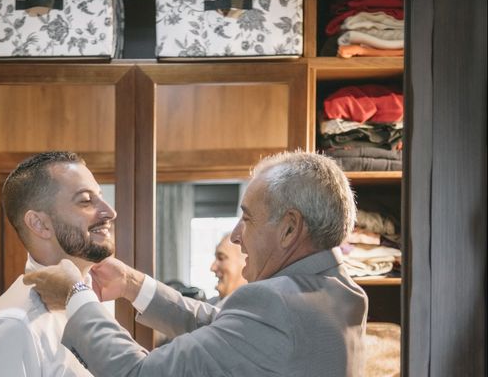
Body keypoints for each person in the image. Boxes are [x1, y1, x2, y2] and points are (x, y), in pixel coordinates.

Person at [24, 150, 368, 376]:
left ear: (290, 228)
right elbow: (222, 327)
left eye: (247, 219)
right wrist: (133, 285)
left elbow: (137, 374)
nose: (236, 236)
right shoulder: (337, 290)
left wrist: (77, 295)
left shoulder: (278, 304)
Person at [0, 151, 116, 376]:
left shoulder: (98, 300)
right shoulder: (13, 327)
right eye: (86, 200)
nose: (110, 212)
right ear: (39, 224)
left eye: (101, 196)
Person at [208, 233, 247, 306]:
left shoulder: (249, 310)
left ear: (246, 263)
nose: (212, 268)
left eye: (221, 258)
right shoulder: (211, 303)